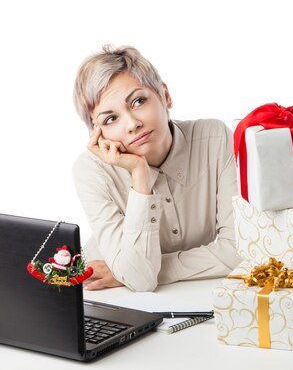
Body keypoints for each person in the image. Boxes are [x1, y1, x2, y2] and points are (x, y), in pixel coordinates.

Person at [72, 45, 242, 291]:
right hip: (108, 293)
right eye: (111, 119)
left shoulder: (214, 139)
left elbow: (239, 250)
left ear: (165, 95)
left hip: (181, 295)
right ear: (98, 133)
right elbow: (140, 282)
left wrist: (131, 271)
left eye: (138, 101)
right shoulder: (91, 171)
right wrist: (140, 174)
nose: (132, 124)